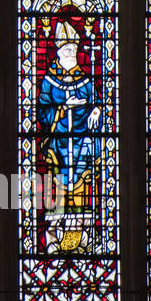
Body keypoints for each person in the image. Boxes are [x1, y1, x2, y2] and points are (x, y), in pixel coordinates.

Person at [37, 19, 101, 252]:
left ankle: (82, 231)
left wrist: (95, 109)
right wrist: (64, 107)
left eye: (73, 49)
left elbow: (96, 103)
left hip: (81, 141)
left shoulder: (85, 80)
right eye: (66, 49)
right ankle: (56, 231)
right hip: (59, 142)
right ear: (58, 51)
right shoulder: (49, 81)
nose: (70, 53)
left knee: (83, 181)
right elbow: (43, 109)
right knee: (58, 182)